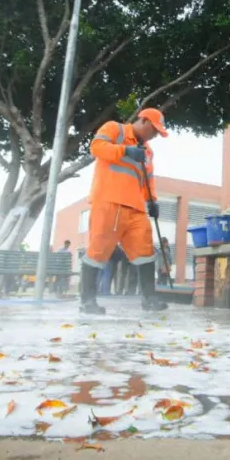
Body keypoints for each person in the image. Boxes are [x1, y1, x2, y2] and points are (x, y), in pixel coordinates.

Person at [79, 108, 170, 314]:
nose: (155, 136)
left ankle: (149, 300)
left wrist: (152, 201)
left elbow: (148, 179)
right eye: (154, 131)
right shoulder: (114, 129)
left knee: (146, 252)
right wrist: (125, 150)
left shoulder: (147, 152)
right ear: (144, 121)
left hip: (136, 207)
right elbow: (97, 147)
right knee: (97, 251)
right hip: (108, 201)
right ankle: (87, 301)